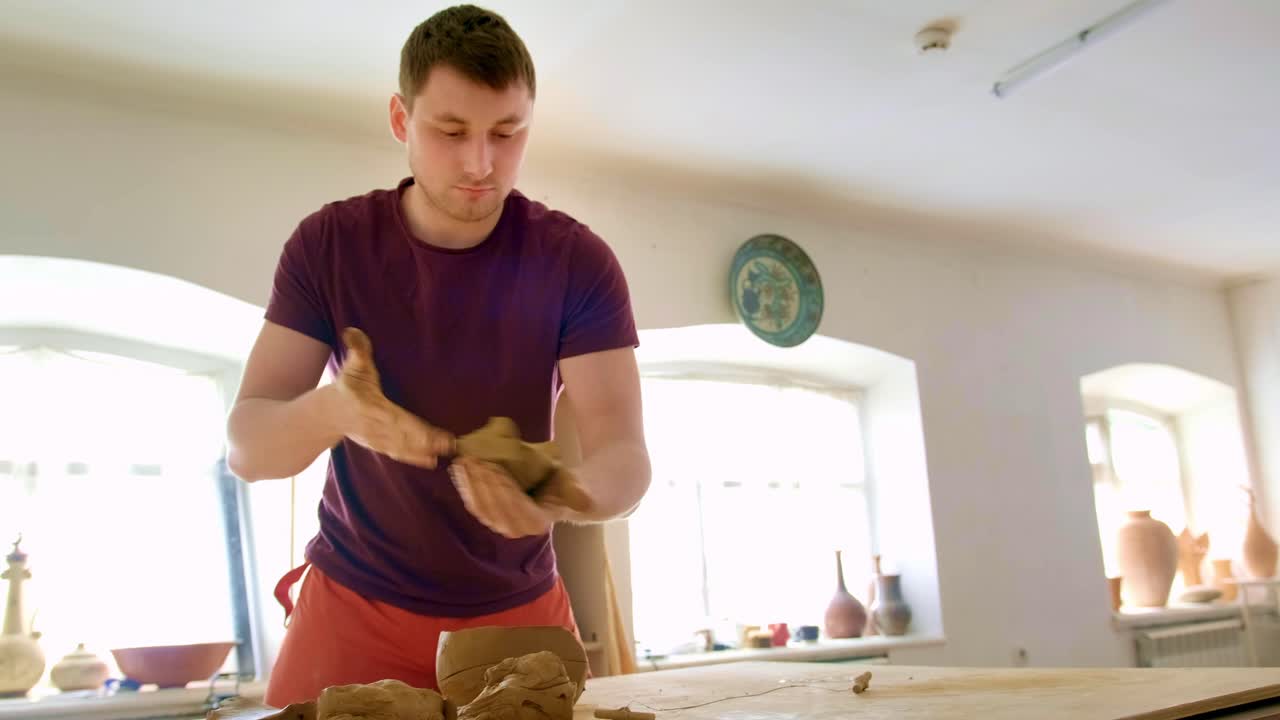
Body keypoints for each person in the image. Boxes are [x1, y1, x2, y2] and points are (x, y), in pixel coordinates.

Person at [224, 4, 651, 707]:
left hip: (518, 613)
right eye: (450, 131)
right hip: (352, 605)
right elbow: (247, 449)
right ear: (401, 120)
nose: (481, 163)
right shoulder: (327, 246)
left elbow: (626, 460)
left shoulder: (579, 263)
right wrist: (338, 411)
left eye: (507, 133)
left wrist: (560, 496)